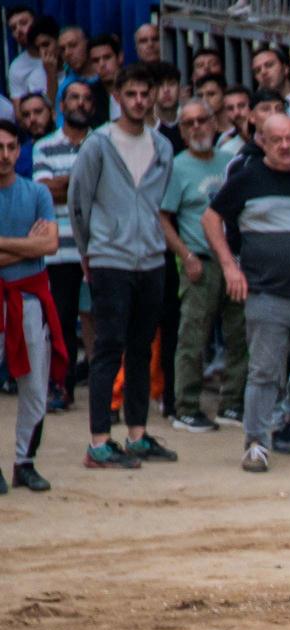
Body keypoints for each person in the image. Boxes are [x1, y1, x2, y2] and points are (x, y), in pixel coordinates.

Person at [203, 113, 290, 474]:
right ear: (261, 141)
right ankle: (256, 443)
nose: (285, 145)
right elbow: (210, 219)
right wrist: (230, 266)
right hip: (267, 295)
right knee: (264, 373)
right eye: (276, 139)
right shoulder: (245, 179)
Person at [69, 64, 174, 470]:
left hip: (150, 258)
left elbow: (160, 204)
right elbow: (79, 201)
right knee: (109, 347)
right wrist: (88, 252)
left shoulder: (162, 147)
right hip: (109, 256)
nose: (139, 101)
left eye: (144, 94)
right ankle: (99, 441)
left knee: (141, 346)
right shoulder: (98, 144)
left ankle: (136, 434)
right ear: (117, 97)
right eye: (130, 94)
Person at [161, 96, 244, 434]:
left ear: (215, 121)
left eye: (203, 120)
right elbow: (162, 217)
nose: (197, 127)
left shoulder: (230, 162)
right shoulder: (177, 166)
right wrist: (186, 256)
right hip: (201, 262)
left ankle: (233, 403)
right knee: (193, 337)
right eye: (189, 123)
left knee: (241, 335)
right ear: (181, 130)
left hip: (235, 262)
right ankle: (186, 407)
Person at [0, 116, 59, 494]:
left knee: (35, 385)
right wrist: (25, 243)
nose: (3, 155)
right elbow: (36, 245)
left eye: (9, 147)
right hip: (16, 289)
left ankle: (25, 461)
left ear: (19, 151)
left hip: (29, 296)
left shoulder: (37, 193)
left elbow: (49, 245)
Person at [30, 76, 87, 415]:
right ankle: (61, 387)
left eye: (85, 98)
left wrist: (66, 183)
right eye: (73, 98)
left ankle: (106, 390)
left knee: (100, 321)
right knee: (61, 321)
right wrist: (81, 181)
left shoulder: (102, 142)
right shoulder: (44, 145)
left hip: (95, 248)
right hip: (59, 249)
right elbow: (45, 192)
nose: (80, 103)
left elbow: (101, 193)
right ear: (61, 106)